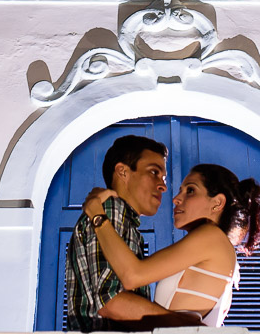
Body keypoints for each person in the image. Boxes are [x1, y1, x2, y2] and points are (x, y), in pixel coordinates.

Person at [81, 163, 260, 328]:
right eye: (181, 190)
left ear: (217, 203)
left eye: (190, 190)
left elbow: (133, 275)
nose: (176, 198)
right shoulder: (218, 245)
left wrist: (97, 214)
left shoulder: (211, 237)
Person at [66, 135, 177, 331]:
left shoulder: (122, 219)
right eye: (154, 172)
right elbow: (111, 301)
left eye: (164, 178)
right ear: (122, 172)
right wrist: (189, 326)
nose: (163, 186)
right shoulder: (111, 209)